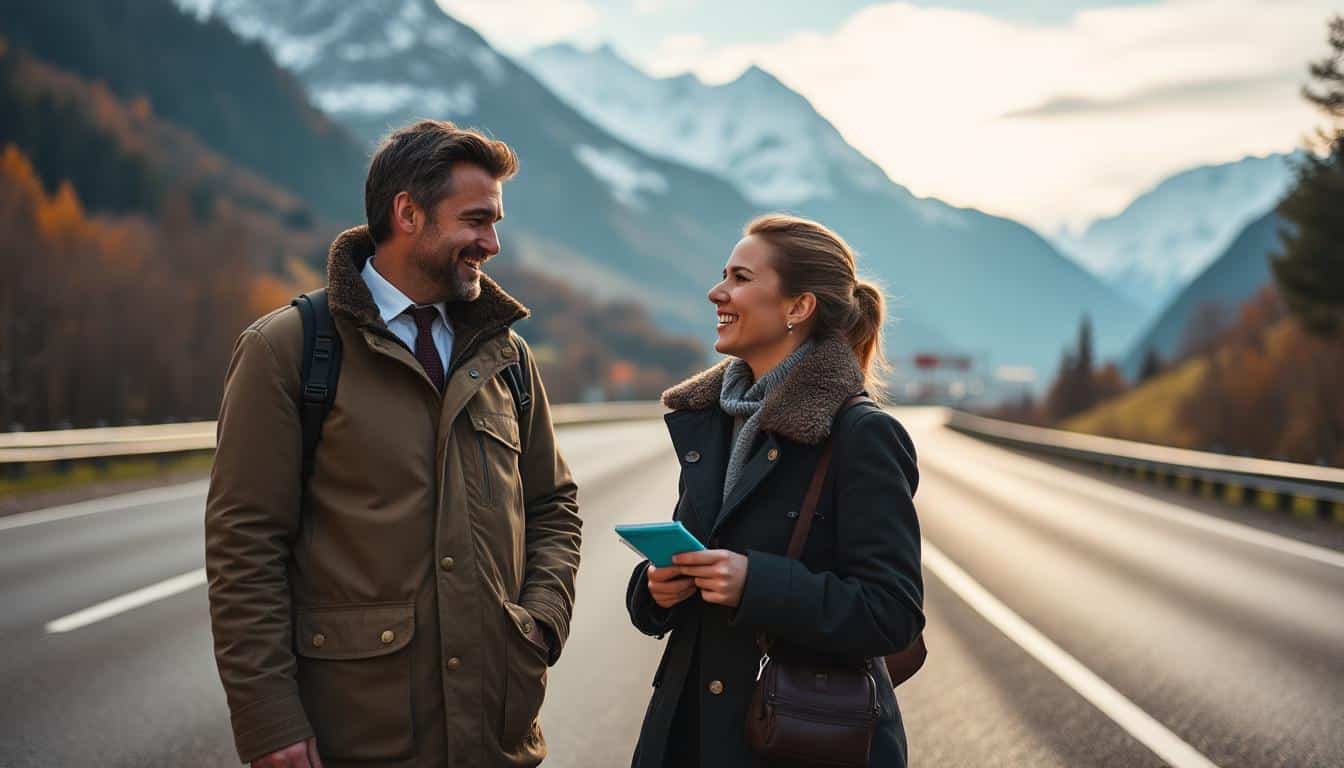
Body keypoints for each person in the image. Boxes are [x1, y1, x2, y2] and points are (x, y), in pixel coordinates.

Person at [205, 120, 582, 768]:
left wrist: (540, 621)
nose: (491, 243)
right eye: (475, 220)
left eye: (495, 223)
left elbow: (554, 506)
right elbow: (245, 546)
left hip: (497, 739)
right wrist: (270, 722)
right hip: (357, 740)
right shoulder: (289, 350)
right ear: (407, 213)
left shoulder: (507, 357)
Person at [626, 214, 925, 768]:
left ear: (798, 307)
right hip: (689, 734)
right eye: (725, 276)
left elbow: (893, 613)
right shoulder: (711, 421)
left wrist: (753, 582)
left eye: (740, 278)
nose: (718, 292)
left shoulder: (861, 434)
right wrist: (655, 589)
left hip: (798, 741)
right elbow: (700, 551)